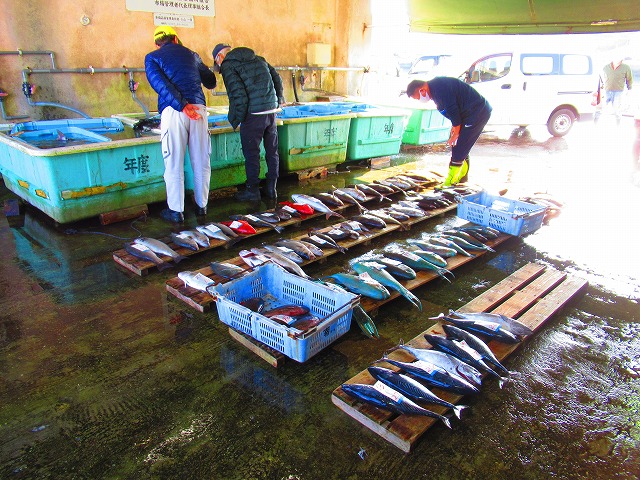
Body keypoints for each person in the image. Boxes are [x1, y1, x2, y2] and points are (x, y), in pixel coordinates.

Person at [145, 26, 216, 223]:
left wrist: (181, 105)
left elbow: (160, 84)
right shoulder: (192, 54)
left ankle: (176, 211)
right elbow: (211, 82)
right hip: (198, 110)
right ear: (176, 39)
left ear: (157, 44)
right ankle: (202, 206)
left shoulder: (152, 57)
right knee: (201, 160)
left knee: (174, 162)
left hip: (174, 111)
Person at [212, 43, 284, 201]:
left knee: (252, 154)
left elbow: (238, 95)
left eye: (217, 63)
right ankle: (271, 189)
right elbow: (277, 78)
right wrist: (278, 100)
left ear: (220, 57)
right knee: (272, 151)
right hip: (270, 111)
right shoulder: (258, 59)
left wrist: (238, 118)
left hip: (253, 114)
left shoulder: (228, 65)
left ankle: (253, 191)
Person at [406, 78, 492, 187]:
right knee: (461, 145)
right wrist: (455, 127)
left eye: (418, 98)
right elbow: (453, 109)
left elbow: (453, 109)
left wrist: (456, 133)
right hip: (469, 114)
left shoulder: (440, 88)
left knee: (460, 145)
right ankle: (462, 178)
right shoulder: (435, 89)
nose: (419, 100)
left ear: (422, 90)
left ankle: (451, 182)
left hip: (477, 112)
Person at [594, 57, 633, 125]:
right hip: (606, 91)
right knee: (600, 108)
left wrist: (629, 89)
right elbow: (601, 79)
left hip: (618, 92)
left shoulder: (626, 67)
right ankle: (595, 123)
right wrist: (599, 89)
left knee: (617, 109)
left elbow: (629, 79)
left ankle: (618, 125)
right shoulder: (606, 67)